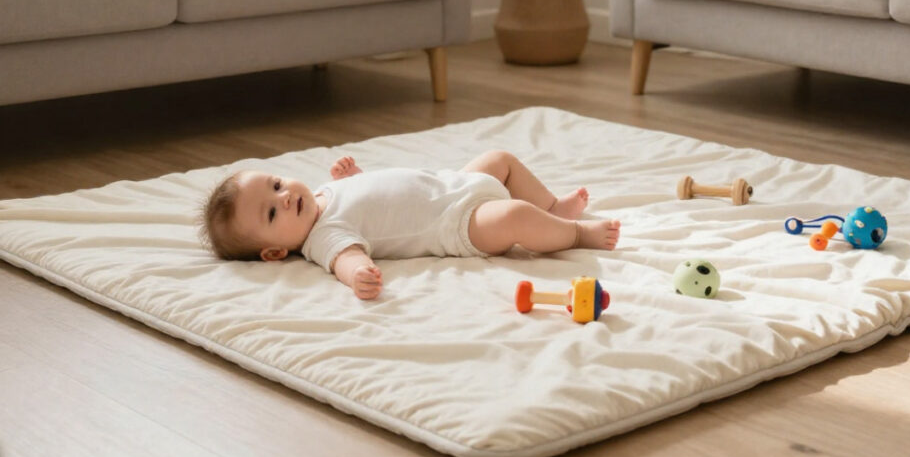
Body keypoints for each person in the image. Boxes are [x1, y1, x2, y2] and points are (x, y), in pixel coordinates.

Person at [201, 150, 620, 299]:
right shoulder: (321, 237)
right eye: (272, 213)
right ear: (275, 252)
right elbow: (345, 257)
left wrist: (354, 176)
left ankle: (553, 206)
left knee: (501, 159)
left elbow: (379, 195)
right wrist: (357, 274)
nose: (284, 196)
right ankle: (577, 233)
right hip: (457, 222)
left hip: (455, 182)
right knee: (514, 218)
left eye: (276, 184)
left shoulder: (324, 193)